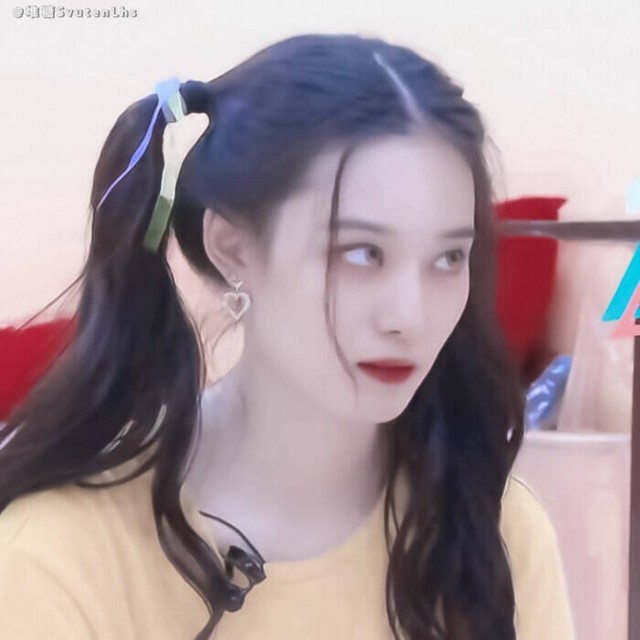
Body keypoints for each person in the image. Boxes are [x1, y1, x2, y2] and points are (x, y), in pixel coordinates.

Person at [0, 33, 575, 639]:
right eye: (362, 252)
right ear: (231, 247)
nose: (410, 315)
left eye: (448, 258)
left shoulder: (492, 531)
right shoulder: (57, 558)